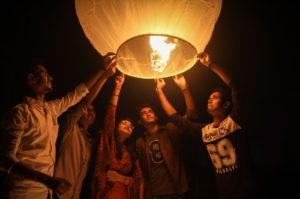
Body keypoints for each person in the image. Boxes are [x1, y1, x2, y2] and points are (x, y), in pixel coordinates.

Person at [0, 53, 115, 199]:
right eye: (44, 74)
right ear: (31, 79)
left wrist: (102, 70)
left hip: (44, 193)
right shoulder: (20, 112)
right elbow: (5, 160)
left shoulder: (50, 109)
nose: (50, 77)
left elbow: (77, 94)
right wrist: (47, 180)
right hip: (21, 192)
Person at [155, 52, 257, 199]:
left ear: (226, 104)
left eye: (215, 98)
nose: (210, 100)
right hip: (224, 193)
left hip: (246, 192)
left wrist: (211, 64)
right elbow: (176, 118)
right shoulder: (205, 131)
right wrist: (160, 91)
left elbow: (235, 87)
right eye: (209, 98)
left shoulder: (234, 121)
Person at [53, 57, 117, 199]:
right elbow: (85, 102)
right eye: (88, 110)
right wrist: (104, 76)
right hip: (55, 194)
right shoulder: (69, 128)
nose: (90, 112)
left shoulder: (90, 143)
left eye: (93, 112)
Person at [134, 77, 198, 199]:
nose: (148, 113)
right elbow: (141, 171)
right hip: (154, 193)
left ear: (156, 116)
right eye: (144, 113)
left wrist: (184, 88)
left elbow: (191, 114)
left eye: (151, 111)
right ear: (140, 122)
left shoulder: (169, 130)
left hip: (175, 191)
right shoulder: (140, 142)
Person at [91, 73, 144, 199]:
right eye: (124, 123)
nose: (128, 126)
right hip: (104, 193)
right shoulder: (109, 142)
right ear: (115, 127)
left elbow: (139, 179)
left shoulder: (130, 152)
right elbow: (110, 113)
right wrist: (118, 87)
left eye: (130, 126)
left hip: (123, 194)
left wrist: (122, 178)